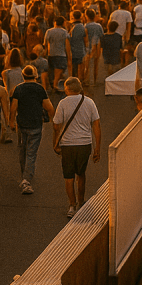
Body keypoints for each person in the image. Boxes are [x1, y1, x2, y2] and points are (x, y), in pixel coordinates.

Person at [53, 78, 101, 219]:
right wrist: (97, 148)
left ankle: (72, 205)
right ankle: (81, 201)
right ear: (80, 88)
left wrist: (55, 142)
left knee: (68, 177)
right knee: (81, 174)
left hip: (67, 145)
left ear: (67, 89)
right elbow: (96, 126)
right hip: (84, 144)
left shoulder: (62, 103)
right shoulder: (89, 102)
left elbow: (56, 126)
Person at [8, 65, 54, 196]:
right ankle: (26, 180)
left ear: (23, 76)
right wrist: (53, 118)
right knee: (31, 153)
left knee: (22, 150)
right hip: (35, 125)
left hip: (22, 125)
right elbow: (49, 107)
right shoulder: (39, 89)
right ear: (36, 76)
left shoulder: (19, 89)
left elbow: (14, 107)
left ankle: (24, 174)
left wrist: (11, 121)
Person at [44, 16, 71, 93]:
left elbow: (45, 43)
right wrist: (69, 56)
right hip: (61, 54)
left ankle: (53, 84)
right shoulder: (64, 32)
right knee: (58, 71)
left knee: (52, 71)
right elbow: (67, 45)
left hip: (51, 54)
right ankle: (55, 85)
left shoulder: (49, 31)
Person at [84, 9, 104, 86]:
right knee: (96, 65)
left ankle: (86, 80)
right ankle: (95, 81)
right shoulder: (98, 26)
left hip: (87, 47)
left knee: (87, 65)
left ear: (86, 16)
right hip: (97, 46)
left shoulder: (85, 26)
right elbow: (101, 35)